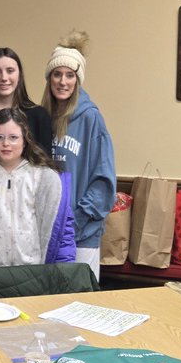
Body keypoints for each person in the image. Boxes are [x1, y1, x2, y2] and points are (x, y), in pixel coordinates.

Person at [0, 108, 75, 270]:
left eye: (13, 138)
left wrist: (64, 271)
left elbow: (63, 232)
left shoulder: (45, 178)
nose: (6, 143)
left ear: (25, 140)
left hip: (34, 271)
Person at [41, 31, 116, 279]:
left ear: (78, 80)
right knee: (48, 303)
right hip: (46, 230)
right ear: (49, 78)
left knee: (80, 304)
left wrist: (76, 222)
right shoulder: (41, 119)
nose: (63, 81)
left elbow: (104, 182)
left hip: (81, 233)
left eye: (70, 75)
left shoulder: (91, 118)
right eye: (57, 74)